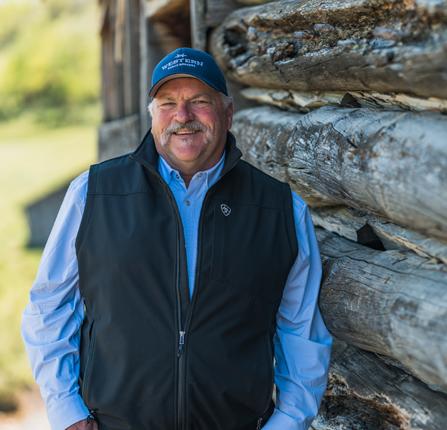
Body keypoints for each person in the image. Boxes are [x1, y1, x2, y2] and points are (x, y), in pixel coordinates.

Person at [22, 47, 332, 430]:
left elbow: (301, 331)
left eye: (199, 101)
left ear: (227, 113)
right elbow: (49, 306)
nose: (182, 116)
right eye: (168, 103)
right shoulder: (93, 194)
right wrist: (67, 411)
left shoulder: (279, 209)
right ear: (152, 116)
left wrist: (286, 423)